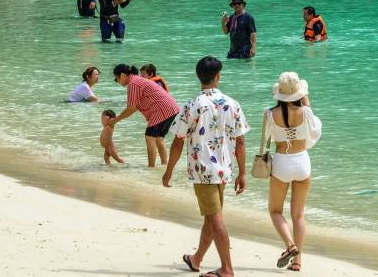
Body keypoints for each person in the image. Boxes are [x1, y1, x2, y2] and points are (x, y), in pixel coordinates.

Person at [163, 55, 248, 277]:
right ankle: (196, 259)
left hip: (202, 171)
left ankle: (227, 269)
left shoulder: (193, 104)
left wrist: (169, 170)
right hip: (225, 170)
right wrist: (243, 173)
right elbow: (240, 141)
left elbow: (178, 140)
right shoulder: (233, 104)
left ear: (198, 77)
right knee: (212, 216)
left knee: (214, 218)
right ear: (218, 77)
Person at [263, 72, 322, 272]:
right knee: (298, 215)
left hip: (281, 163)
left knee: (275, 211)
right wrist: (307, 102)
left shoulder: (269, 113)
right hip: (302, 161)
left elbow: (267, 137)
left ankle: (290, 246)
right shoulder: (305, 112)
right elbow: (315, 132)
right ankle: (297, 262)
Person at [108, 64, 181, 167]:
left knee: (149, 136)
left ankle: (151, 167)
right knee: (158, 138)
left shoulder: (133, 83)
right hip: (171, 107)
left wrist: (115, 120)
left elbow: (131, 108)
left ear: (123, 75)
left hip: (161, 109)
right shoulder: (137, 79)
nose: (117, 82)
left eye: (116, 79)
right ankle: (164, 165)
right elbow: (136, 106)